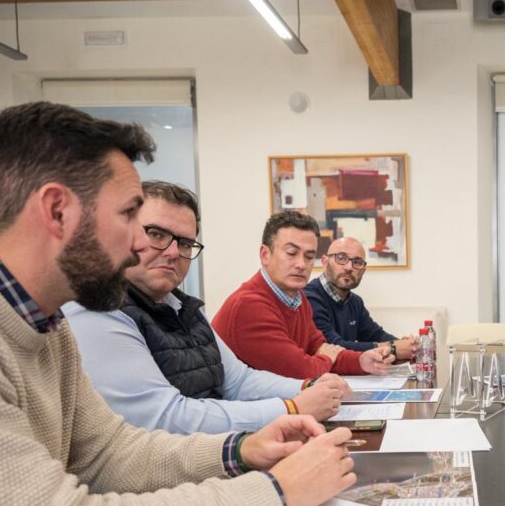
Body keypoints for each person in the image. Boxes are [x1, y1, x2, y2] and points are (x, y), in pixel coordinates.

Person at [0, 102, 357, 506]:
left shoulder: (44, 322)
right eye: (129, 217)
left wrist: (239, 452)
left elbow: (108, 454)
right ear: (57, 211)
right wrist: (274, 494)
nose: (136, 247)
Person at [65, 181, 349, 434]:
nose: (174, 252)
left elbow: (238, 380)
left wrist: (306, 387)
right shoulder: (98, 309)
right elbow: (165, 417)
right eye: (156, 234)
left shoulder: (182, 308)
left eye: (186, 243)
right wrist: (292, 408)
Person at [213, 213, 394, 379]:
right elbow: (301, 370)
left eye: (308, 257)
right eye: (291, 253)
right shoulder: (249, 305)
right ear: (265, 255)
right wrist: (326, 357)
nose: (301, 264)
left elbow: (318, 347)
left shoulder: (298, 299)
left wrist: (362, 361)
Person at [304, 236, 418, 361]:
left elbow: (375, 335)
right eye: (341, 258)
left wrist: (406, 345)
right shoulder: (309, 298)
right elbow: (333, 347)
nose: (348, 267)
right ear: (325, 262)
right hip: (320, 377)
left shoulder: (355, 301)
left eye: (357, 262)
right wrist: (393, 348)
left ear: (363, 270)